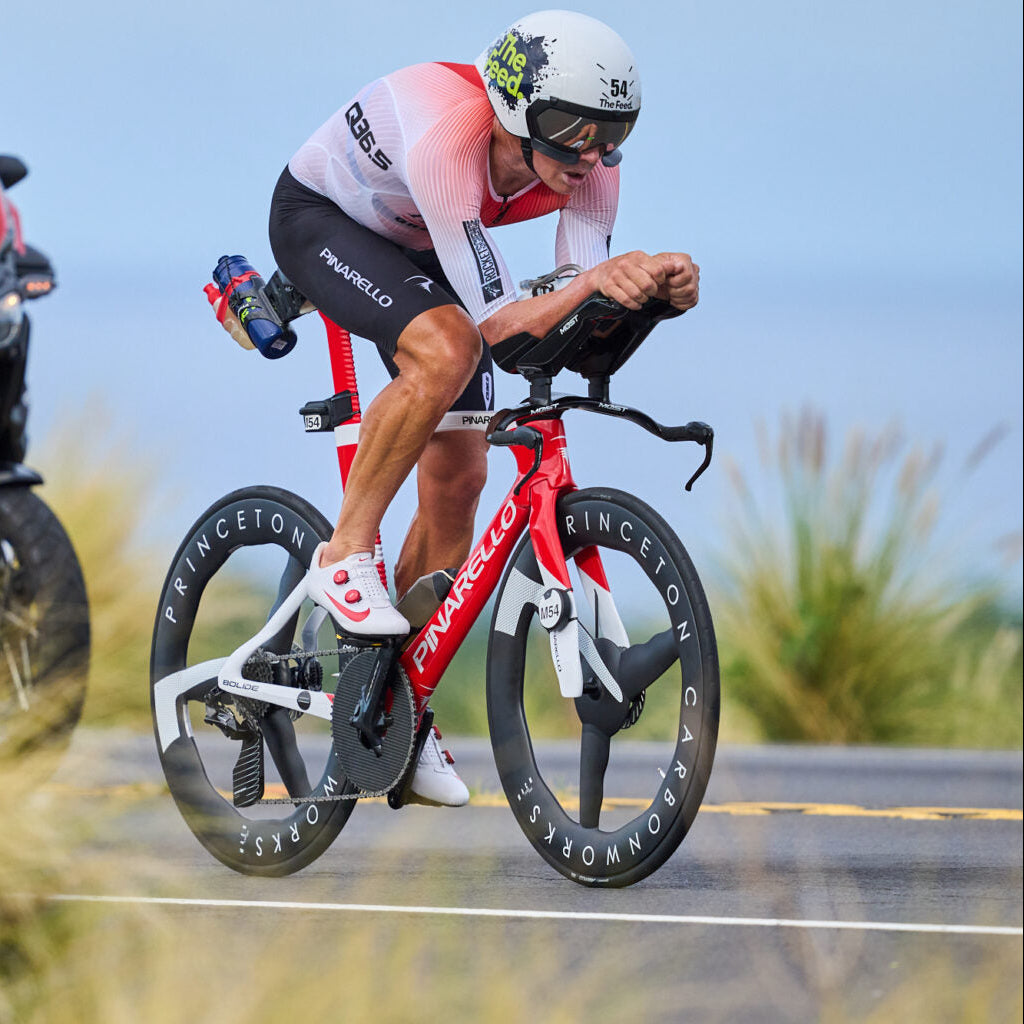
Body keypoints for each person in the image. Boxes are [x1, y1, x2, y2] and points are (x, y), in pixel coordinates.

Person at [267, 9, 700, 806]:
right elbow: (497, 324)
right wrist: (594, 285)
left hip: (424, 246)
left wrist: (653, 292)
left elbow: (578, 293)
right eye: (572, 128)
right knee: (446, 347)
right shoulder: (448, 138)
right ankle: (345, 552)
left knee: (460, 482)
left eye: (612, 132)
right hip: (323, 221)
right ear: (512, 107)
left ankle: (391, 707)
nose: (593, 153)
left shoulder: (589, 169)